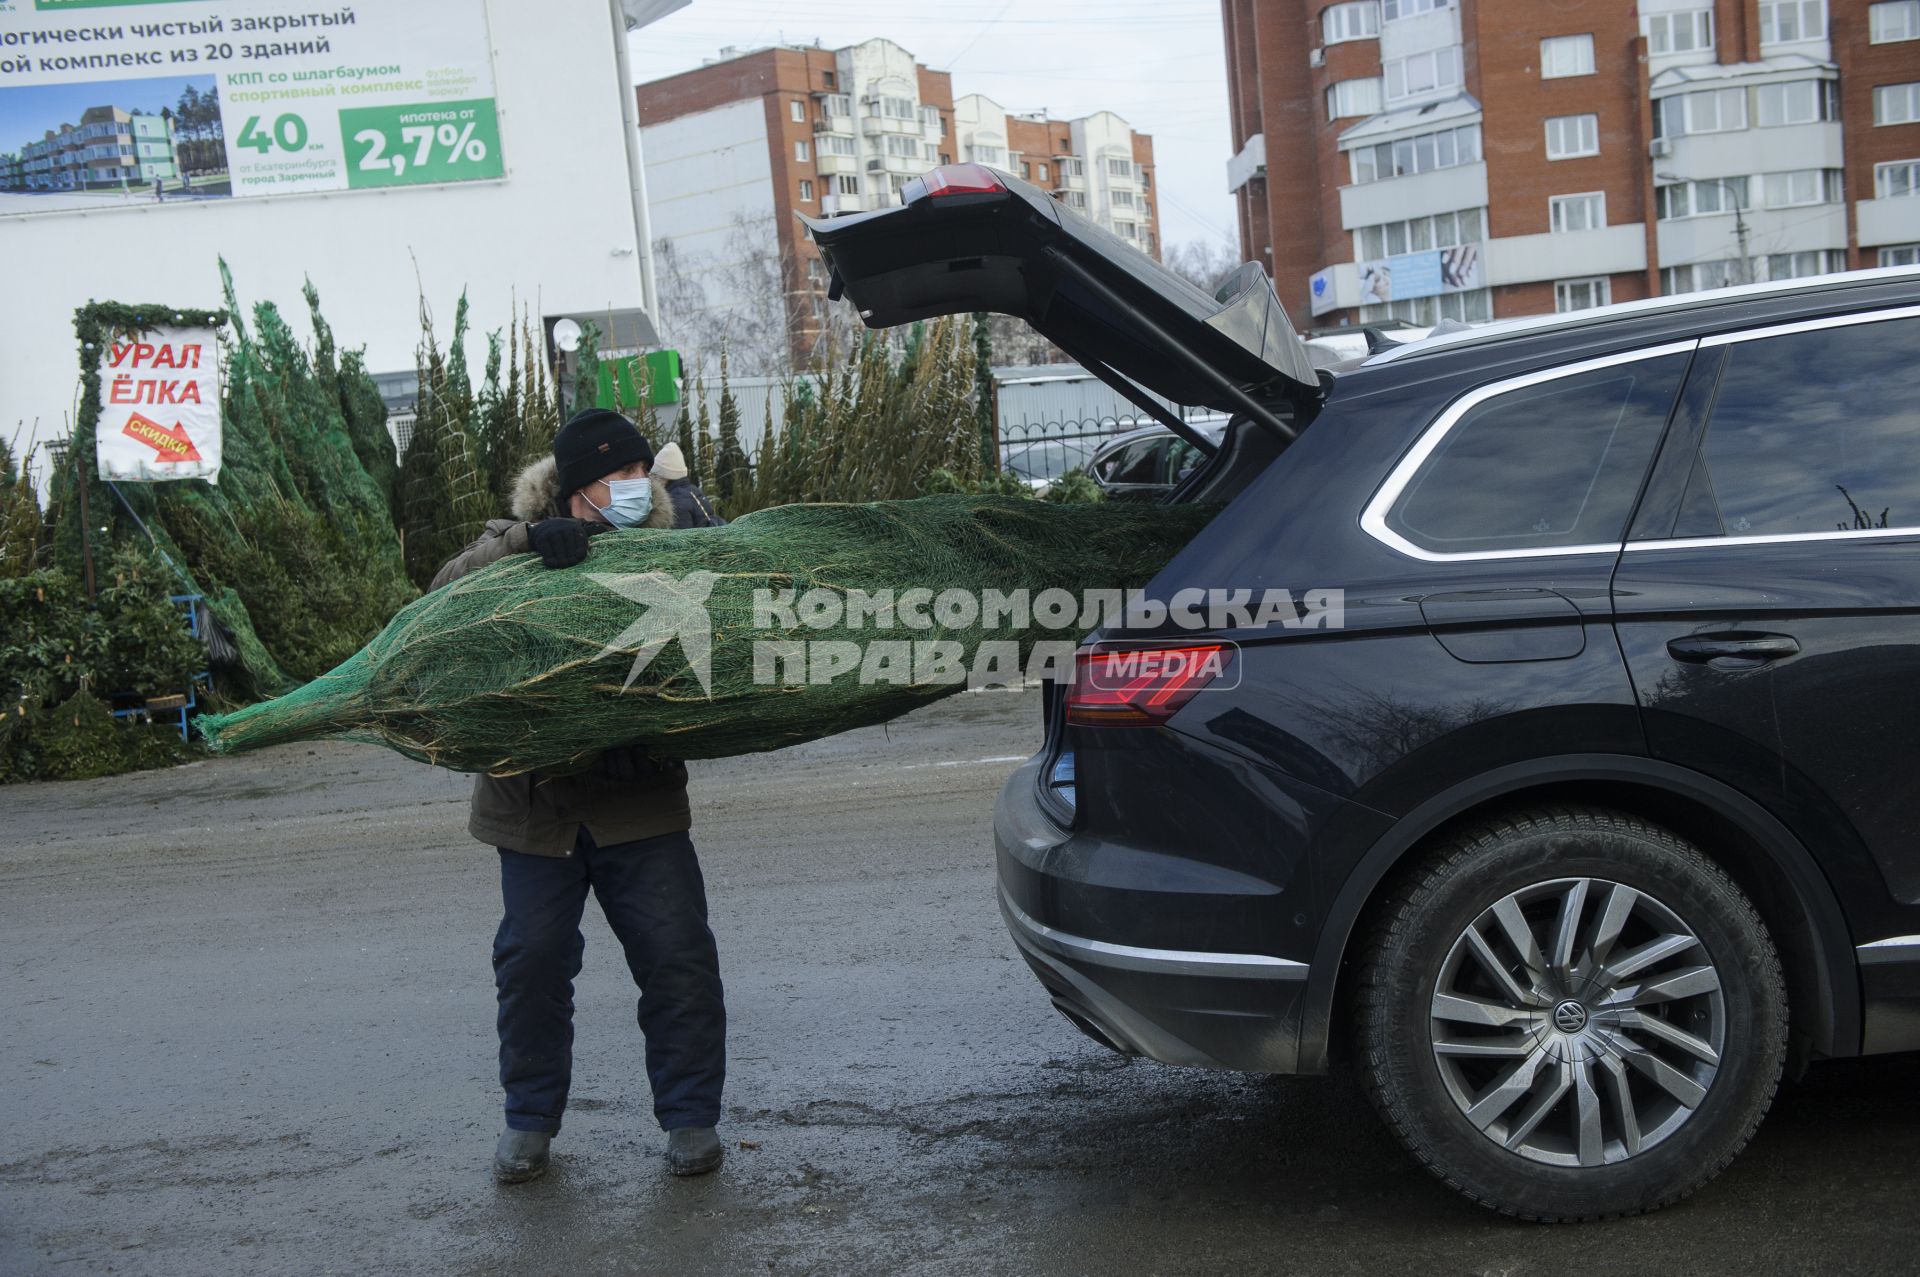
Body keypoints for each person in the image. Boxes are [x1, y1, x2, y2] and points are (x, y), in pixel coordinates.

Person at [430, 407, 727, 1184]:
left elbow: (719, 629)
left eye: (637, 474)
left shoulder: (666, 550)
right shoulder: (511, 545)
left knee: (677, 956)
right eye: (614, 478)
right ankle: (528, 1122)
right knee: (531, 960)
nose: (632, 487)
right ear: (571, 490)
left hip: (640, 799)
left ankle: (691, 1118)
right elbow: (438, 599)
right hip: (534, 808)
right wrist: (525, 545)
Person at [649, 440, 725, 528]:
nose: (655, 481)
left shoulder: (675, 500)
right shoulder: (693, 490)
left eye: (655, 476)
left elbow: (682, 539)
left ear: (666, 475)